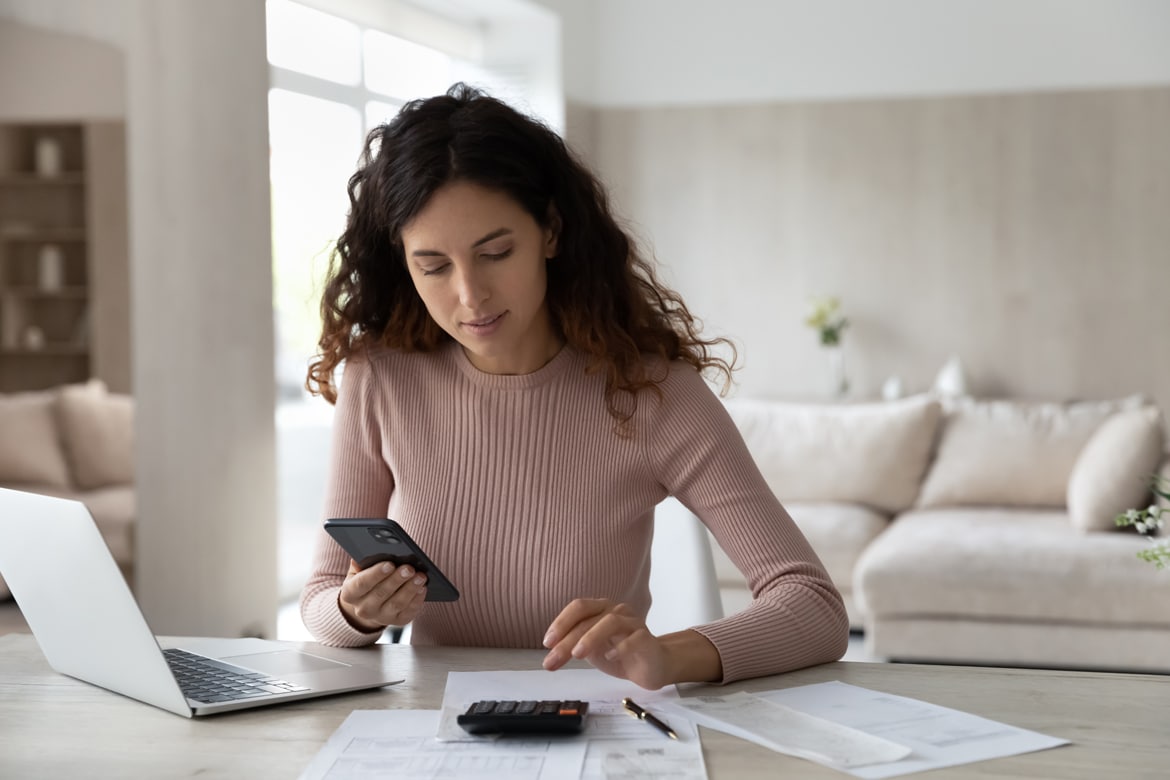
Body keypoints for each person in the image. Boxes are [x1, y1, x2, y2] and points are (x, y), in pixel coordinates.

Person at [300, 83, 849, 689]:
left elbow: (813, 606)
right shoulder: (381, 377)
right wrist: (356, 611)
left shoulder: (652, 392)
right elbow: (322, 601)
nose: (470, 295)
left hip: (595, 728)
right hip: (433, 727)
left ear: (552, 232)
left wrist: (669, 656)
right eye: (433, 266)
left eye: (497, 252)